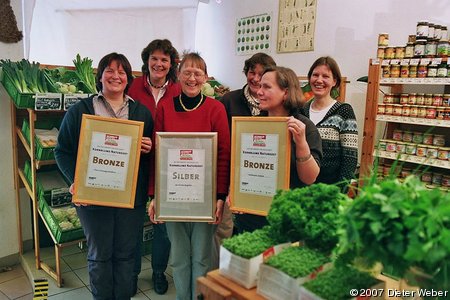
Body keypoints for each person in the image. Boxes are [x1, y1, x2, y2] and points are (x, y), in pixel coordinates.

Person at [54, 52, 153, 299]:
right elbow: (62, 151)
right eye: (109, 70)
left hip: (130, 199)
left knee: (126, 255)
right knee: (99, 256)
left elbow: (150, 159)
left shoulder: (141, 113)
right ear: (100, 76)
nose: (115, 76)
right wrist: (75, 182)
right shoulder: (80, 111)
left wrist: (150, 148)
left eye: (121, 72)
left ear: (128, 79)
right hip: (93, 198)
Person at [148, 52, 230, 300]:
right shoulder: (165, 107)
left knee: (203, 257)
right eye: (187, 72)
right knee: (180, 257)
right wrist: (154, 196)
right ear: (179, 75)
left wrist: (219, 196)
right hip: (173, 197)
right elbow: (157, 155)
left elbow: (224, 154)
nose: (192, 78)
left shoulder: (216, 108)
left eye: (198, 73)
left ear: (205, 77)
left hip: (204, 198)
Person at [128, 38, 181, 295]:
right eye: (154, 58)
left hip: (167, 167)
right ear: (146, 61)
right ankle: (133, 272)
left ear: (171, 64)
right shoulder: (132, 86)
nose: (159, 63)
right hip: (135, 166)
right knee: (134, 223)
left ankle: (158, 271)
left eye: (164, 59)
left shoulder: (180, 90)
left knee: (162, 224)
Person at [220, 52, 276, 235]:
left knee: (256, 228)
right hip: (232, 178)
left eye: (262, 74)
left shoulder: (273, 105)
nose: (256, 78)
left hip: (263, 178)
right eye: (252, 72)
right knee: (225, 229)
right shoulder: (229, 100)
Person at [258, 65, 322, 189]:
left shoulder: (305, 128)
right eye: (260, 86)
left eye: (266, 87)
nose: (259, 92)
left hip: (290, 204)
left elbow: (309, 178)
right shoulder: (253, 125)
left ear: (286, 93)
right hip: (257, 203)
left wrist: (301, 143)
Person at [301, 56, 358, 189]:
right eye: (315, 75)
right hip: (301, 189)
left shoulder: (344, 111)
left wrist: (338, 193)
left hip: (330, 189)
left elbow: (350, 159)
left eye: (325, 76)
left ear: (334, 81)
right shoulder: (301, 111)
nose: (319, 80)